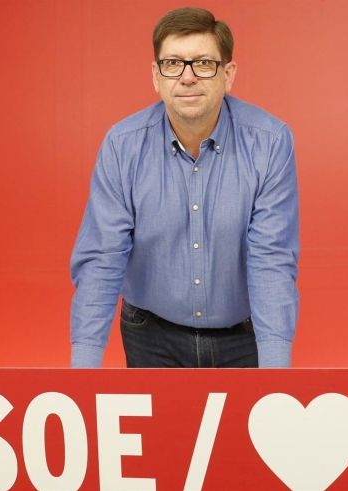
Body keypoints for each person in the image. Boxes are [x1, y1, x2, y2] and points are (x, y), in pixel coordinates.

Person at [70, 7, 299, 368]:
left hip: (244, 337)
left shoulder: (270, 142)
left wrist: (276, 379)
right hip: (151, 335)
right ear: (156, 76)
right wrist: (83, 374)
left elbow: (270, 259)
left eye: (204, 63)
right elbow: (102, 258)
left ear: (228, 74)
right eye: (173, 63)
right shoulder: (122, 145)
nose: (187, 77)